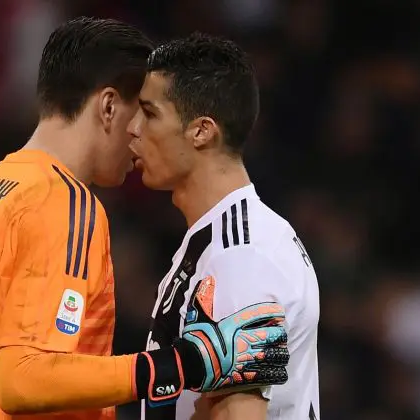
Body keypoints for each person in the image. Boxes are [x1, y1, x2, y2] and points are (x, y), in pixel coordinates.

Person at [0, 18, 290, 420]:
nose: (138, 134)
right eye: (142, 114)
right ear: (109, 106)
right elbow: (23, 378)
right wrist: (182, 364)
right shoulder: (65, 202)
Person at [128, 33, 320, 420]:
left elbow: (239, 411)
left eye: (149, 114)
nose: (133, 128)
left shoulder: (241, 254)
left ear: (201, 131)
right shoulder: (219, 238)